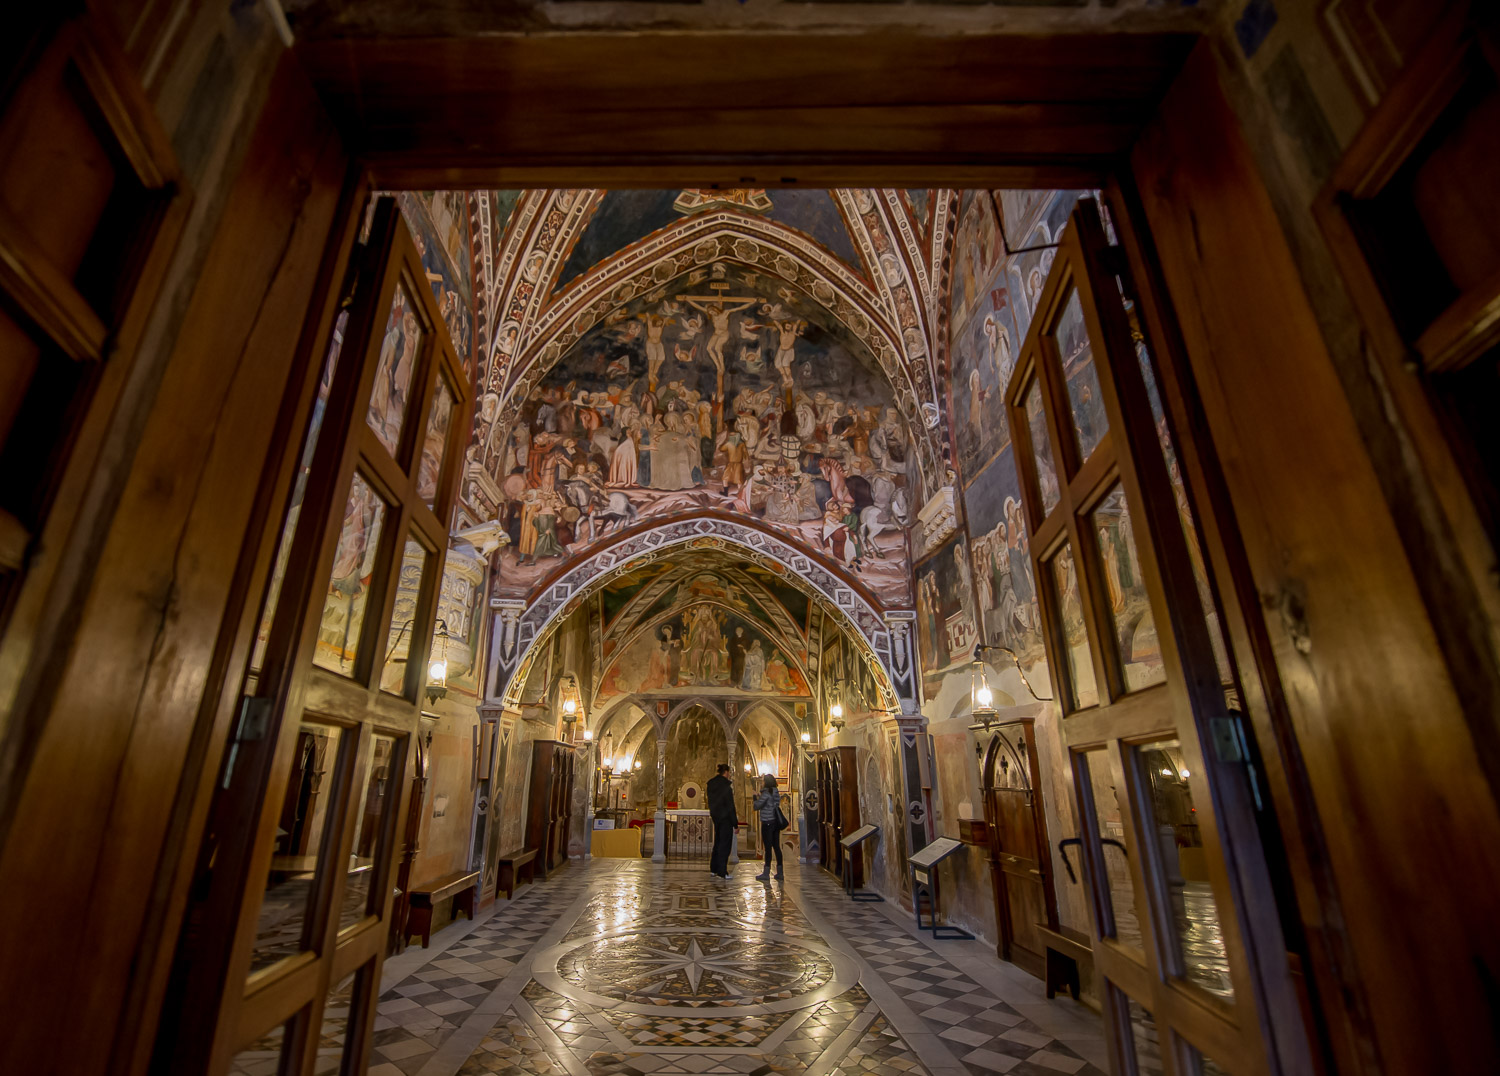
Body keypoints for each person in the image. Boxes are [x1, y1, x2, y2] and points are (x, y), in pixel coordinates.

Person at [706, 763, 737, 880]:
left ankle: (713, 869)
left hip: (716, 817)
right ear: (726, 772)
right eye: (729, 773)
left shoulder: (711, 784)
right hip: (726, 819)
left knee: (718, 843)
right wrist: (735, 823)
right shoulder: (725, 786)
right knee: (724, 845)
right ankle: (722, 871)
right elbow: (730, 806)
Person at [753, 774, 784, 881]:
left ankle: (766, 873)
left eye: (763, 781)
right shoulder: (776, 792)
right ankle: (780, 872)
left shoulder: (766, 793)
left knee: (768, 847)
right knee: (776, 846)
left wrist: (754, 797)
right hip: (775, 822)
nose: (762, 783)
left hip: (767, 822)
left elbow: (756, 806)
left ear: (766, 782)